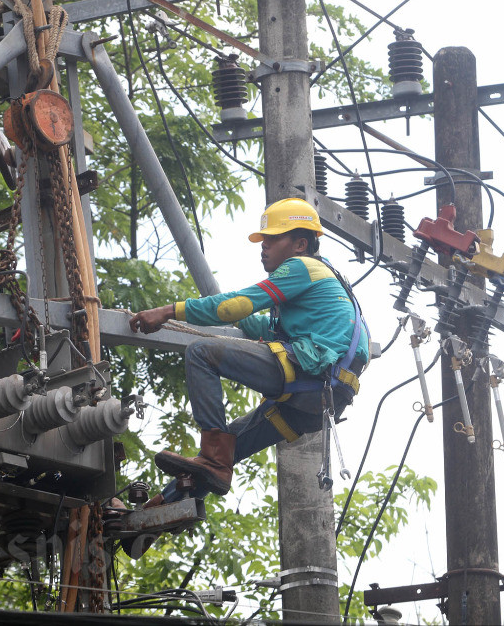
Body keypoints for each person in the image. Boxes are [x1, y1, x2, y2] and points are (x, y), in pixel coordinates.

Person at [124, 197, 370, 556]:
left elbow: (238, 304)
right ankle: (153, 518)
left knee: (201, 353)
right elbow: (252, 321)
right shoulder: (317, 294)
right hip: (319, 400)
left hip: (311, 374)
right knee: (224, 457)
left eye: (273, 239)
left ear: (300, 243)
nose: (264, 247)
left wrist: (169, 311)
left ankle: (209, 456)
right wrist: (234, 317)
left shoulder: (302, 267)